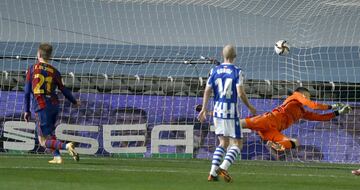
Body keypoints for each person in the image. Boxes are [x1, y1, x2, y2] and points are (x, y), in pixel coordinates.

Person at [198, 45, 256, 183]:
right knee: (237, 144)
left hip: (217, 112)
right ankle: (223, 167)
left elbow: (207, 91)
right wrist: (250, 107)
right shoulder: (237, 71)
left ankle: (212, 173)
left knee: (222, 143)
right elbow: (241, 93)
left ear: (223, 55)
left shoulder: (214, 70)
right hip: (230, 112)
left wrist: (204, 108)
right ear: (235, 56)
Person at [239, 87, 352, 151]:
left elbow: (319, 117)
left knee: (295, 142)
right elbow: (313, 105)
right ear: (302, 94)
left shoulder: (301, 112)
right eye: (307, 96)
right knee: (238, 124)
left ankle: (277, 145)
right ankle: (222, 125)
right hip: (268, 119)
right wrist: (331, 106)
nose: (308, 98)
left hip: (272, 131)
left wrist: (338, 112)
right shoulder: (295, 96)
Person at [24, 43, 80, 164]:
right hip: (54, 105)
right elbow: (63, 89)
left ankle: (67, 146)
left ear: (38, 54)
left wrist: (26, 110)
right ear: (50, 56)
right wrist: (74, 101)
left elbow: (27, 92)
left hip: (41, 105)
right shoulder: (55, 71)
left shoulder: (32, 69)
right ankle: (57, 157)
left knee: (43, 141)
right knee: (50, 133)